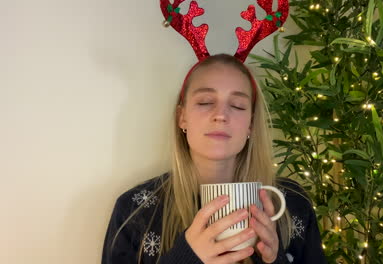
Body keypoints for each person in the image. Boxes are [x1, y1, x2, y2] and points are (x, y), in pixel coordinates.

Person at [101, 54, 326, 264]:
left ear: (250, 124)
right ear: (182, 118)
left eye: (237, 105)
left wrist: (274, 260)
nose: (221, 115)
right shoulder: (135, 210)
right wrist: (185, 258)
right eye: (206, 102)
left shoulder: (292, 204)